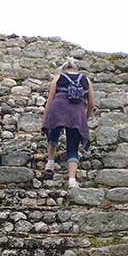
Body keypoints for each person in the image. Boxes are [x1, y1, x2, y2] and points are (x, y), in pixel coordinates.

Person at [41, 58, 95, 188]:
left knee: (53, 133)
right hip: (77, 113)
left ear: (64, 69)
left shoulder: (58, 77)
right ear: (75, 69)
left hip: (57, 109)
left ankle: (50, 162)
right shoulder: (85, 79)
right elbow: (92, 103)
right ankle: (72, 180)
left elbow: (50, 99)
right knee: (73, 147)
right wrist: (84, 117)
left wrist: (45, 119)